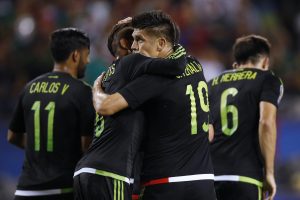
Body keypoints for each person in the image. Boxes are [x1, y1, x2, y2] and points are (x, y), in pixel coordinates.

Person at [93, 10, 216, 200]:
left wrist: (96, 88)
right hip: (204, 183)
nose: (134, 47)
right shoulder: (195, 65)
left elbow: (107, 106)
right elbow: (209, 133)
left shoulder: (154, 79)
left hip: (164, 184)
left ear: (160, 43)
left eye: (140, 40)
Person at [73, 19, 186, 200]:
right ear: (126, 44)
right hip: (112, 173)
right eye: (138, 39)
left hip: (84, 171)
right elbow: (177, 65)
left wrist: (95, 89)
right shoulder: (132, 63)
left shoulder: (107, 78)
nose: (140, 45)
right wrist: (176, 45)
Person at [7, 28, 95, 200]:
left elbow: (12, 136)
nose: (88, 60)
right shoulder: (82, 91)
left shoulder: (29, 88)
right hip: (62, 190)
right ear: (76, 55)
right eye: (86, 55)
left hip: (25, 190)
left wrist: (40, 146)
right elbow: (87, 146)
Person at [208, 35, 284, 200]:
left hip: (210, 178)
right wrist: (269, 173)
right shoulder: (268, 79)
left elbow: (206, 132)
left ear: (236, 63)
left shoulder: (211, 84)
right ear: (265, 62)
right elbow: (266, 122)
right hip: (245, 177)